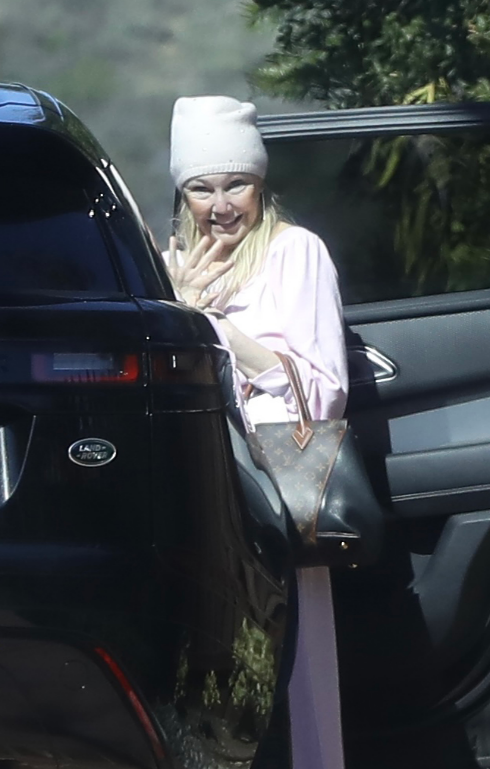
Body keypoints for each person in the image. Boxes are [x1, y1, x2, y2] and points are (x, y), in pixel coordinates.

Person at [165, 95, 349, 769]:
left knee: (294, 693)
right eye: (201, 188)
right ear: (182, 193)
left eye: (235, 184)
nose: (220, 205)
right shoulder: (170, 265)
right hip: (197, 496)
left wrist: (206, 323)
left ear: (261, 183)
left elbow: (322, 390)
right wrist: (171, 308)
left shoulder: (296, 253)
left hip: (274, 493)